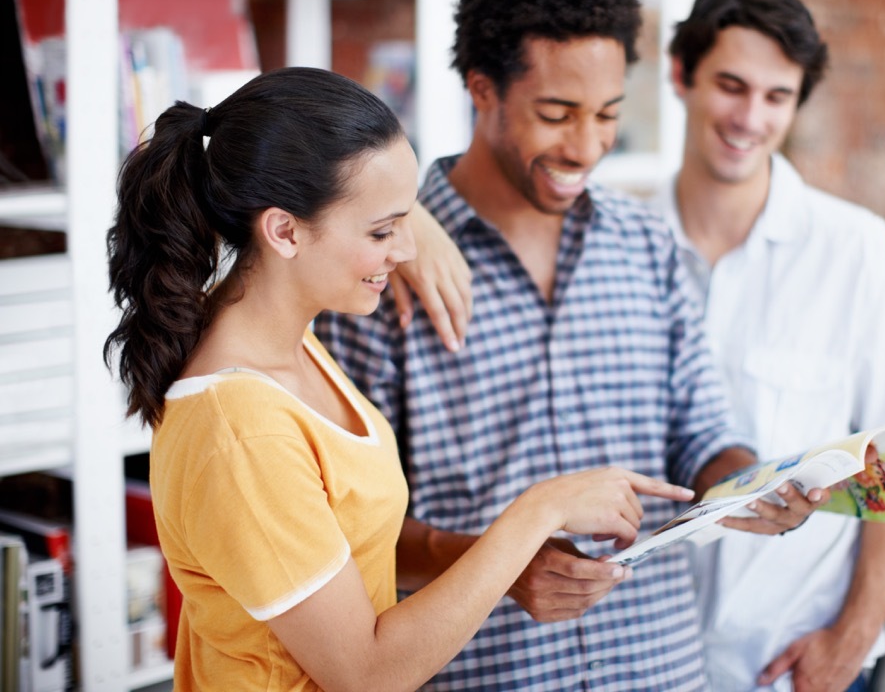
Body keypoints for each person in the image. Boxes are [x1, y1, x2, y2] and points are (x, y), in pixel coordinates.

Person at [315, 0, 811, 691]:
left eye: (608, 114)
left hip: (659, 666)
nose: (587, 146)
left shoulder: (645, 245)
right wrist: (495, 563)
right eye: (557, 113)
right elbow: (348, 535)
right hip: (484, 673)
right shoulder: (385, 268)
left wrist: (746, 482)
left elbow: (702, 433)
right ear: (482, 91)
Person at [102, 66, 695, 692]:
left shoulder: (287, 338)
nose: (408, 250)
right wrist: (537, 511)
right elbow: (367, 673)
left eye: (407, 220)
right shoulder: (240, 432)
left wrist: (404, 224)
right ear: (283, 230)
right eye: (383, 231)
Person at [656, 0, 885, 692]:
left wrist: (851, 638)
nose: (750, 117)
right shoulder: (623, 245)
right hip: (640, 657)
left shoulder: (859, 252)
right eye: (730, 85)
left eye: (777, 96)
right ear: (680, 76)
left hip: (790, 663)